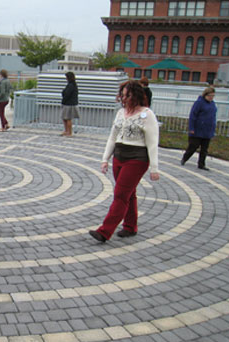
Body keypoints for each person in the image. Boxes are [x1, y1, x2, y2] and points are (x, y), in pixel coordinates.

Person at [89, 80, 160, 243]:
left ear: (135, 95)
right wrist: (105, 159)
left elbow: (152, 142)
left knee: (120, 195)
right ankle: (130, 227)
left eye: (127, 95)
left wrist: (154, 168)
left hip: (137, 159)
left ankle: (105, 231)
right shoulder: (121, 113)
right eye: (122, 94)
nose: (124, 98)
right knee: (129, 193)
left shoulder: (147, 114)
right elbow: (113, 137)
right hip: (119, 157)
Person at [181, 87, 217, 171]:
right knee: (193, 146)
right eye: (210, 95)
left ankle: (201, 164)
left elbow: (213, 117)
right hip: (198, 129)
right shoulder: (199, 103)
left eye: (213, 96)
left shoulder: (213, 104)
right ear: (205, 95)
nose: (211, 97)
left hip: (207, 130)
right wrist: (191, 128)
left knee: (204, 149)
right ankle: (185, 158)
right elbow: (193, 116)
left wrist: (213, 129)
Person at [61, 71, 79, 137]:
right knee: (64, 118)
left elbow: (67, 94)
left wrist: (64, 98)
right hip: (67, 103)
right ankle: (66, 131)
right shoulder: (71, 84)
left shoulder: (71, 85)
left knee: (68, 118)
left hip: (69, 104)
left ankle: (69, 132)